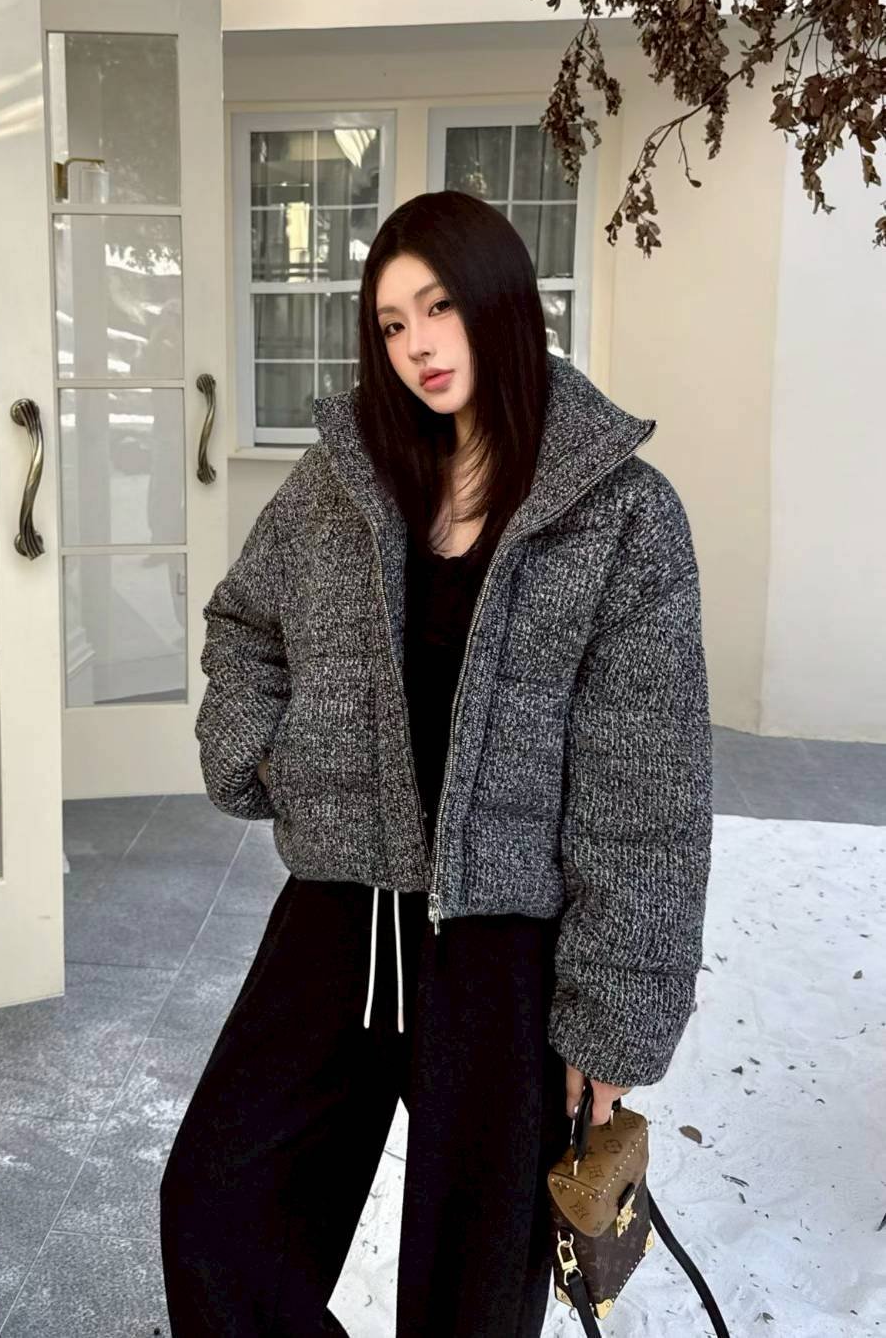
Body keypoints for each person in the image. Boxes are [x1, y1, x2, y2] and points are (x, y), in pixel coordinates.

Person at [160, 188, 714, 1337]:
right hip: (342, 917)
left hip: (502, 957)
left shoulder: (621, 518)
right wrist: (257, 751)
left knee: (469, 1296)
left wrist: (609, 1027)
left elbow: (648, 802)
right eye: (391, 322)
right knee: (215, 1211)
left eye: (439, 306)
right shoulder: (343, 481)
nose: (415, 342)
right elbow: (244, 622)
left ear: (502, 303)